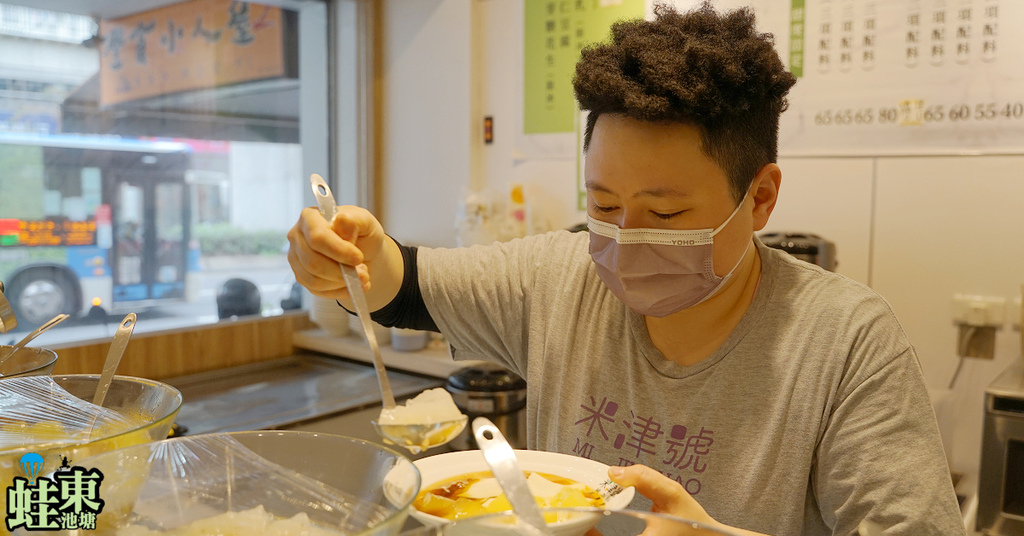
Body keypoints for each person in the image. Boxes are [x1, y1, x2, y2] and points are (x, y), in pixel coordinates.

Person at [287, 3, 964, 535]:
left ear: (759, 198)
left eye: (666, 217)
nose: (624, 239)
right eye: (603, 204)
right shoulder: (558, 278)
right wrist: (349, 262)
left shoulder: (846, 340)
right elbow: (403, 285)